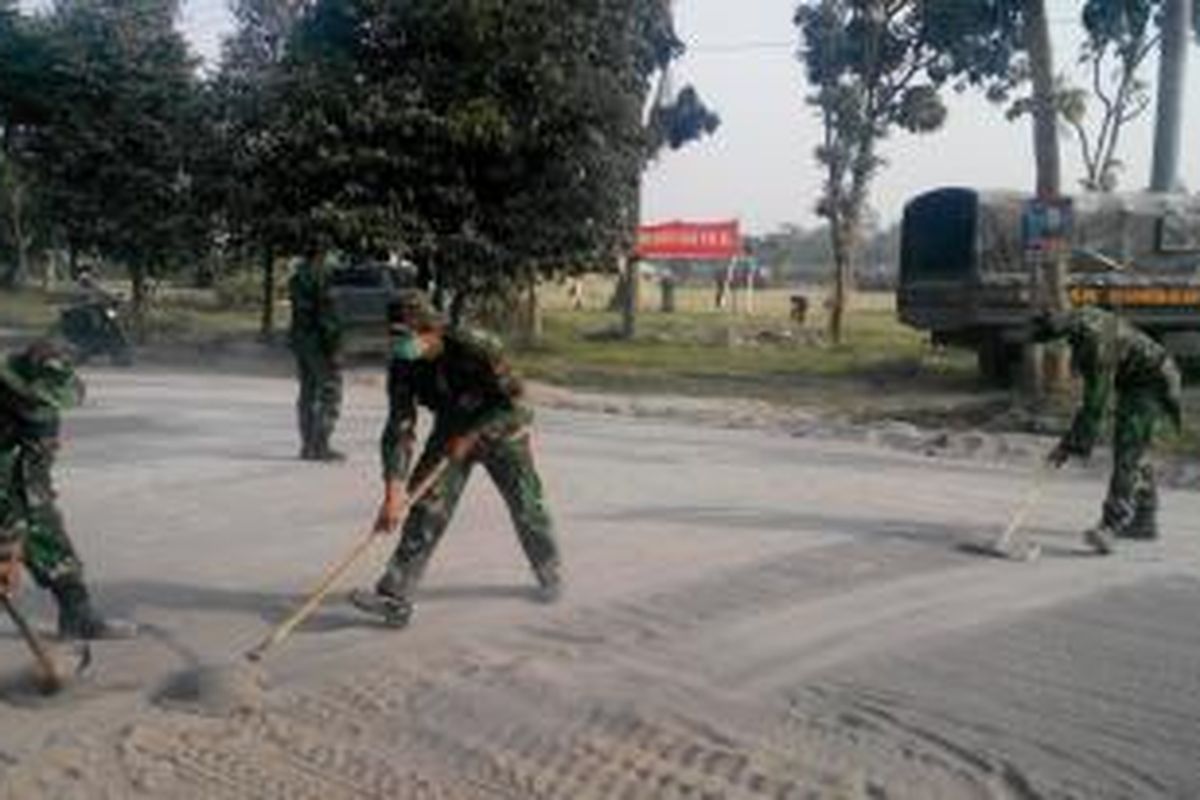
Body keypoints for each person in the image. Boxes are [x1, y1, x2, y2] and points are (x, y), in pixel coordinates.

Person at [351, 290, 562, 627]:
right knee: (425, 505)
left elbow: (518, 404)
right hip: (451, 429)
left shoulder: (476, 346)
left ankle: (549, 570)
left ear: (431, 330)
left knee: (525, 506)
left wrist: (475, 435)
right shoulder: (404, 365)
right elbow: (399, 426)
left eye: (406, 337)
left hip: (501, 429)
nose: (399, 345)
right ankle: (396, 595)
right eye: (393, 336)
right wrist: (394, 491)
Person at [0, 341, 136, 639]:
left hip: (11, 480)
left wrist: (28, 526)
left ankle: (77, 613)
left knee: (44, 526)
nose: (41, 408)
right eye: (33, 401)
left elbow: (34, 477)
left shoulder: (42, 414)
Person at [1031, 306, 1183, 554]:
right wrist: (1072, 443)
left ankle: (1111, 526)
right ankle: (1144, 519)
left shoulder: (1096, 343)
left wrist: (1070, 445)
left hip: (1152, 383)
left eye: (1052, 343)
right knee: (1135, 448)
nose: (1053, 349)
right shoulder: (1081, 322)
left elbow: (1095, 405)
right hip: (1135, 381)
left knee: (1128, 448)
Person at [288, 246, 344, 461]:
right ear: (322, 253)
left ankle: (307, 446)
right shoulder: (322, 276)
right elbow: (326, 315)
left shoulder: (296, 277)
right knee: (331, 392)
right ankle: (321, 445)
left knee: (307, 392)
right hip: (319, 343)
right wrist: (334, 347)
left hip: (301, 341)